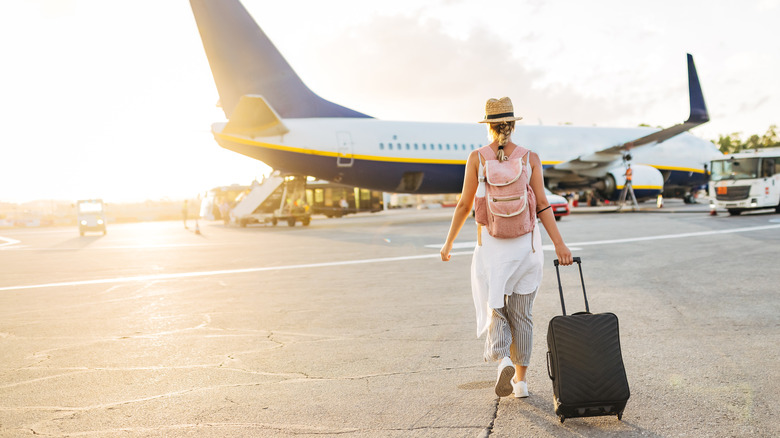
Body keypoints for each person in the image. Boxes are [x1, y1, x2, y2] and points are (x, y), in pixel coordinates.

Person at [440, 97, 572, 399]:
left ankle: (502, 361)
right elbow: (541, 204)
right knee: (523, 315)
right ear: (512, 126)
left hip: (492, 248)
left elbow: (464, 204)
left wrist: (448, 243)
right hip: (527, 247)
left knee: (497, 310)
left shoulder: (478, 158)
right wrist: (560, 245)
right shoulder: (530, 158)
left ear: (489, 127)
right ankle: (521, 383)